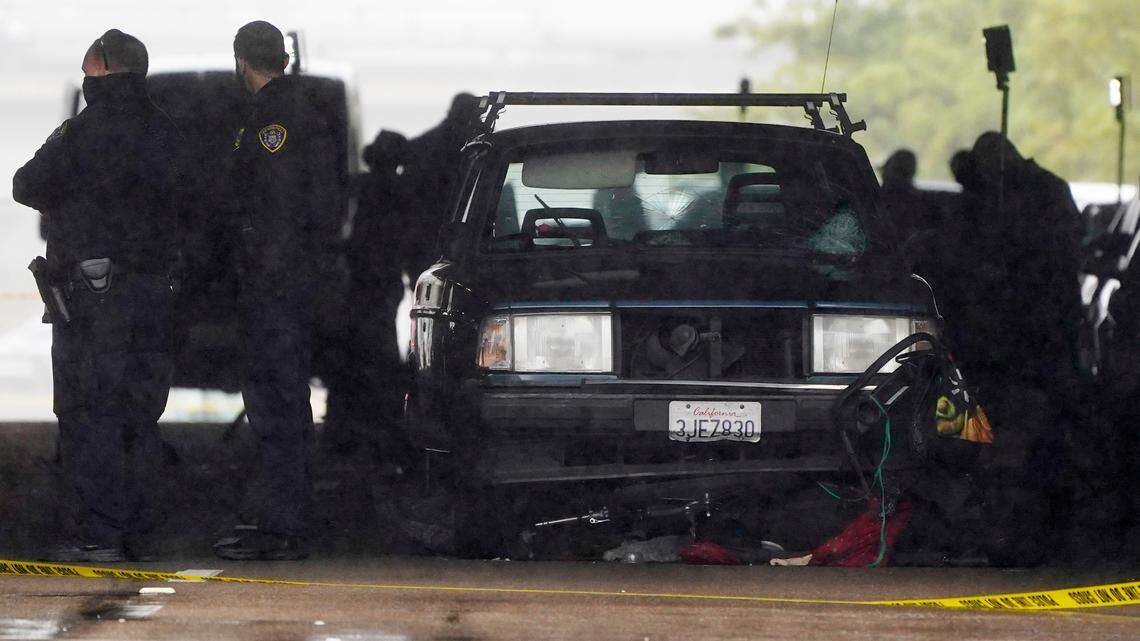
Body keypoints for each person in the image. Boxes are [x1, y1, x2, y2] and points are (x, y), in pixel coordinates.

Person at [13, 29, 180, 562]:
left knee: (91, 411)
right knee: (141, 411)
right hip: (153, 290)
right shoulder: (165, 131)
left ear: (104, 73)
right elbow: (193, 201)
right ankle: (140, 526)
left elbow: (26, 184)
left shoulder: (81, 132)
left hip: (93, 298)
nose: (85, 82)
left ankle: (102, 530)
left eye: (89, 73)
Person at [212, 20, 336, 560]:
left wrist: (259, 273)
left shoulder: (274, 121)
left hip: (274, 287)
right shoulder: (308, 111)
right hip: (288, 283)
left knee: (277, 407)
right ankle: (282, 519)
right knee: (281, 405)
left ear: (242, 60)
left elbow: (274, 209)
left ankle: (285, 526)